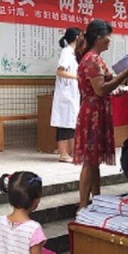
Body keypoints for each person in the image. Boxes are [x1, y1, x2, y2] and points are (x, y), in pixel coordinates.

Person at [74, 19, 128, 208]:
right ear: (99, 38)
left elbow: (101, 88)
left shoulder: (93, 58)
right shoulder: (92, 59)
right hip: (93, 113)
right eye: (108, 36)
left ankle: (96, 200)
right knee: (89, 162)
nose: (110, 39)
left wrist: (115, 87)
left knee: (94, 161)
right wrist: (126, 73)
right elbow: (100, 89)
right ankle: (83, 205)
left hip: (95, 110)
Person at [51, 27, 82, 162]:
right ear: (77, 37)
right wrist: (77, 77)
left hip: (71, 94)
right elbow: (60, 71)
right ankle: (63, 154)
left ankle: (73, 152)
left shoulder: (73, 53)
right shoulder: (66, 52)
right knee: (64, 124)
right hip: (66, 94)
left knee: (71, 124)